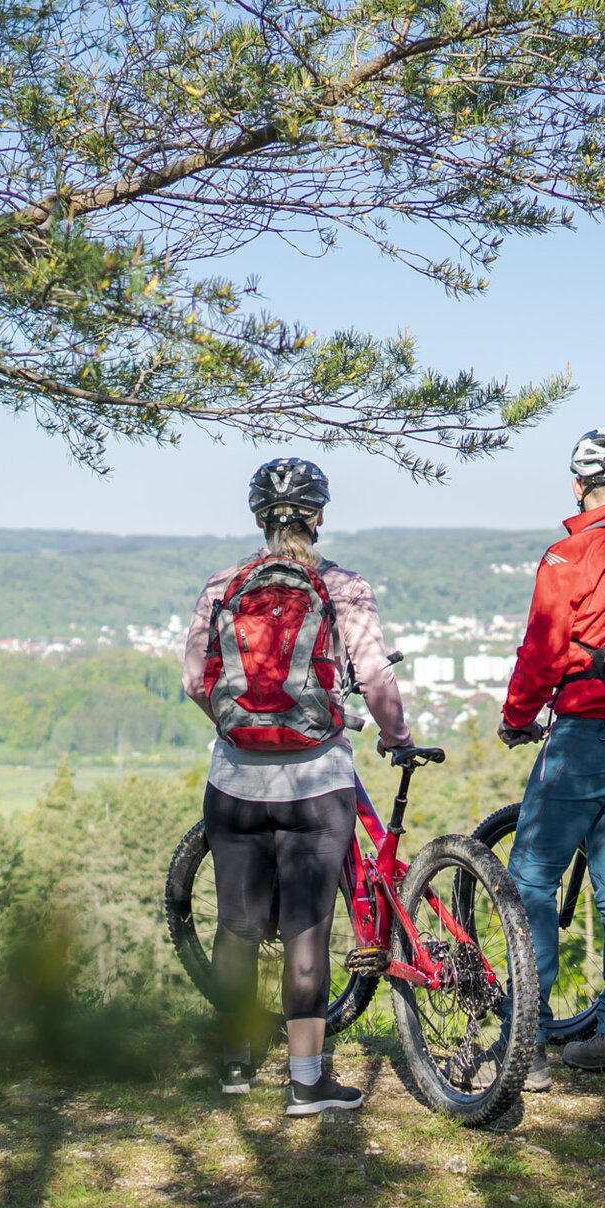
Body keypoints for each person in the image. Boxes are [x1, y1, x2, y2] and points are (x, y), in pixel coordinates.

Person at [183, 457, 414, 1114]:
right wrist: (394, 738)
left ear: (258, 518)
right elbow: (372, 673)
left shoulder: (221, 586)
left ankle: (232, 1070)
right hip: (319, 783)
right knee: (309, 928)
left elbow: (194, 681)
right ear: (320, 517)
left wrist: (238, 729)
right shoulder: (343, 586)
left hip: (233, 784)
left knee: (237, 927)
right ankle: (307, 1081)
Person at [497, 428, 605, 1086]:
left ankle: (528, 1043)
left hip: (588, 731)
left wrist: (517, 720)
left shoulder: (568, 555)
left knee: (531, 879)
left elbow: (541, 652)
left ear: (576, 486)